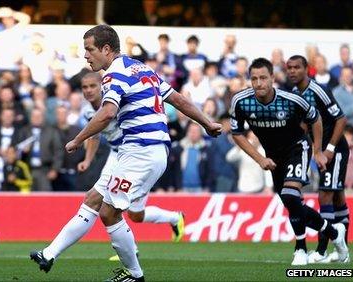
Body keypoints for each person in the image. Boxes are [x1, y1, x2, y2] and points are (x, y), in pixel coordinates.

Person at [30, 25, 222, 282]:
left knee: (110, 213)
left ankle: (134, 275)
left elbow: (108, 113)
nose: (86, 56)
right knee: (96, 201)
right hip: (144, 151)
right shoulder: (142, 68)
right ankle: (49, 254)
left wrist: (78, 139)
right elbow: (178, 100)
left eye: (90, 49)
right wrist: (207, 122)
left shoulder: (113, 75)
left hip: (140, 151)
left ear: (106, 49)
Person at [230, 57, 348, 265]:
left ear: (273, 78)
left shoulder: (291, 100)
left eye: (263, 78)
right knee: (292, 204)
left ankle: (300, 249)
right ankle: (334, 232)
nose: (259, 83)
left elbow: (316, 119)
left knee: (292, 194)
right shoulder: (241, 101)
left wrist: (318, 150)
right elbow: (237, 133)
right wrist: (260, 158)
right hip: (273, 157)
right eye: (254, 79)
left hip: (297, 148)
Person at [286, 55, 350, 263]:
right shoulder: (295, 94)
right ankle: (343, 252)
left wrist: (329, 149)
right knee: (337, 197)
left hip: (335, 148)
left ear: (307, 69)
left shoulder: (319, 90)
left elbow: (341, 119)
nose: (292, 71)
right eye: (289, 68)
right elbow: (305, 125)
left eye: (297, 67)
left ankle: (322, 251)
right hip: (320, 150)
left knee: (325, 195)